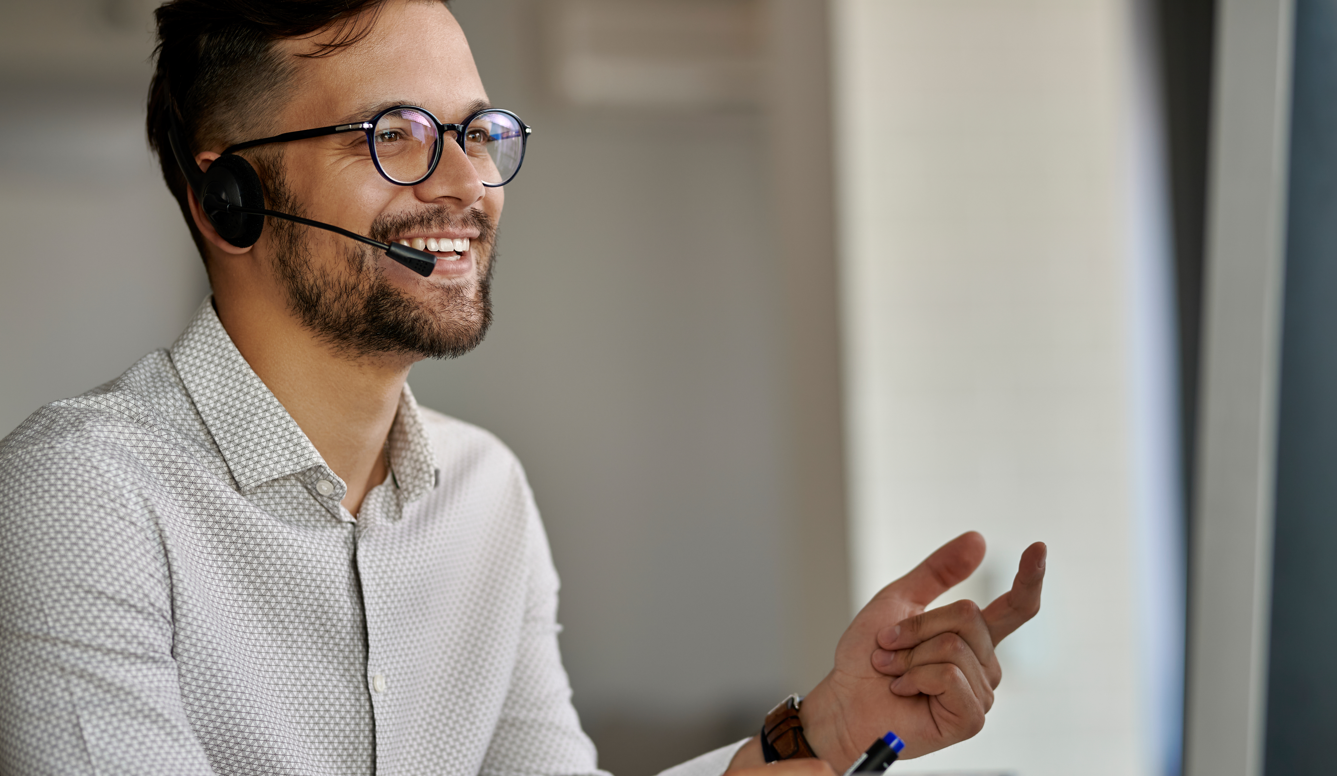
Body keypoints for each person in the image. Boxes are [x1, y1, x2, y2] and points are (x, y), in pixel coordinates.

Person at [0, 1, 1047, 774]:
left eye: (477, 133)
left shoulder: (483, 493)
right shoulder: (81, 497)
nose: (465, 185)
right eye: (394, 138)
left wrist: (814, 732)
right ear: (226, 193)